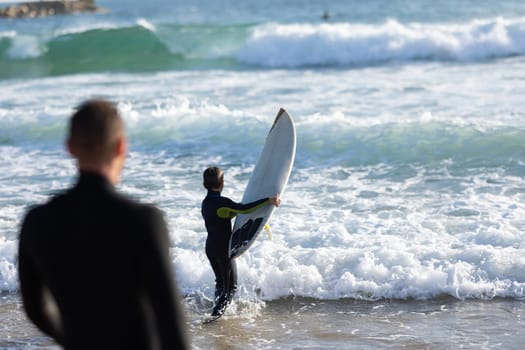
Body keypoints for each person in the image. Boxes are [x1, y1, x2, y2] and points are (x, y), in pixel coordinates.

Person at [18, 99, 189, 350]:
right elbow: (172, 328)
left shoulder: (37, 221)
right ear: (121, 147)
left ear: (69, 148)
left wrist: (73, 339)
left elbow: (35, 308)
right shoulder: (144, 221)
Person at [201, 166, 280, 317]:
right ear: (222, 183)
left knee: (220, 282)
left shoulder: (206, 203)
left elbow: (224, 216)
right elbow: (243, 209)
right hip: (223, 250)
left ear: (205, 184)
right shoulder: (222, 202)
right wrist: (268, 200)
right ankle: (215, 317)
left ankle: (215, 311)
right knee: (230, 288)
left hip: (210, 248)